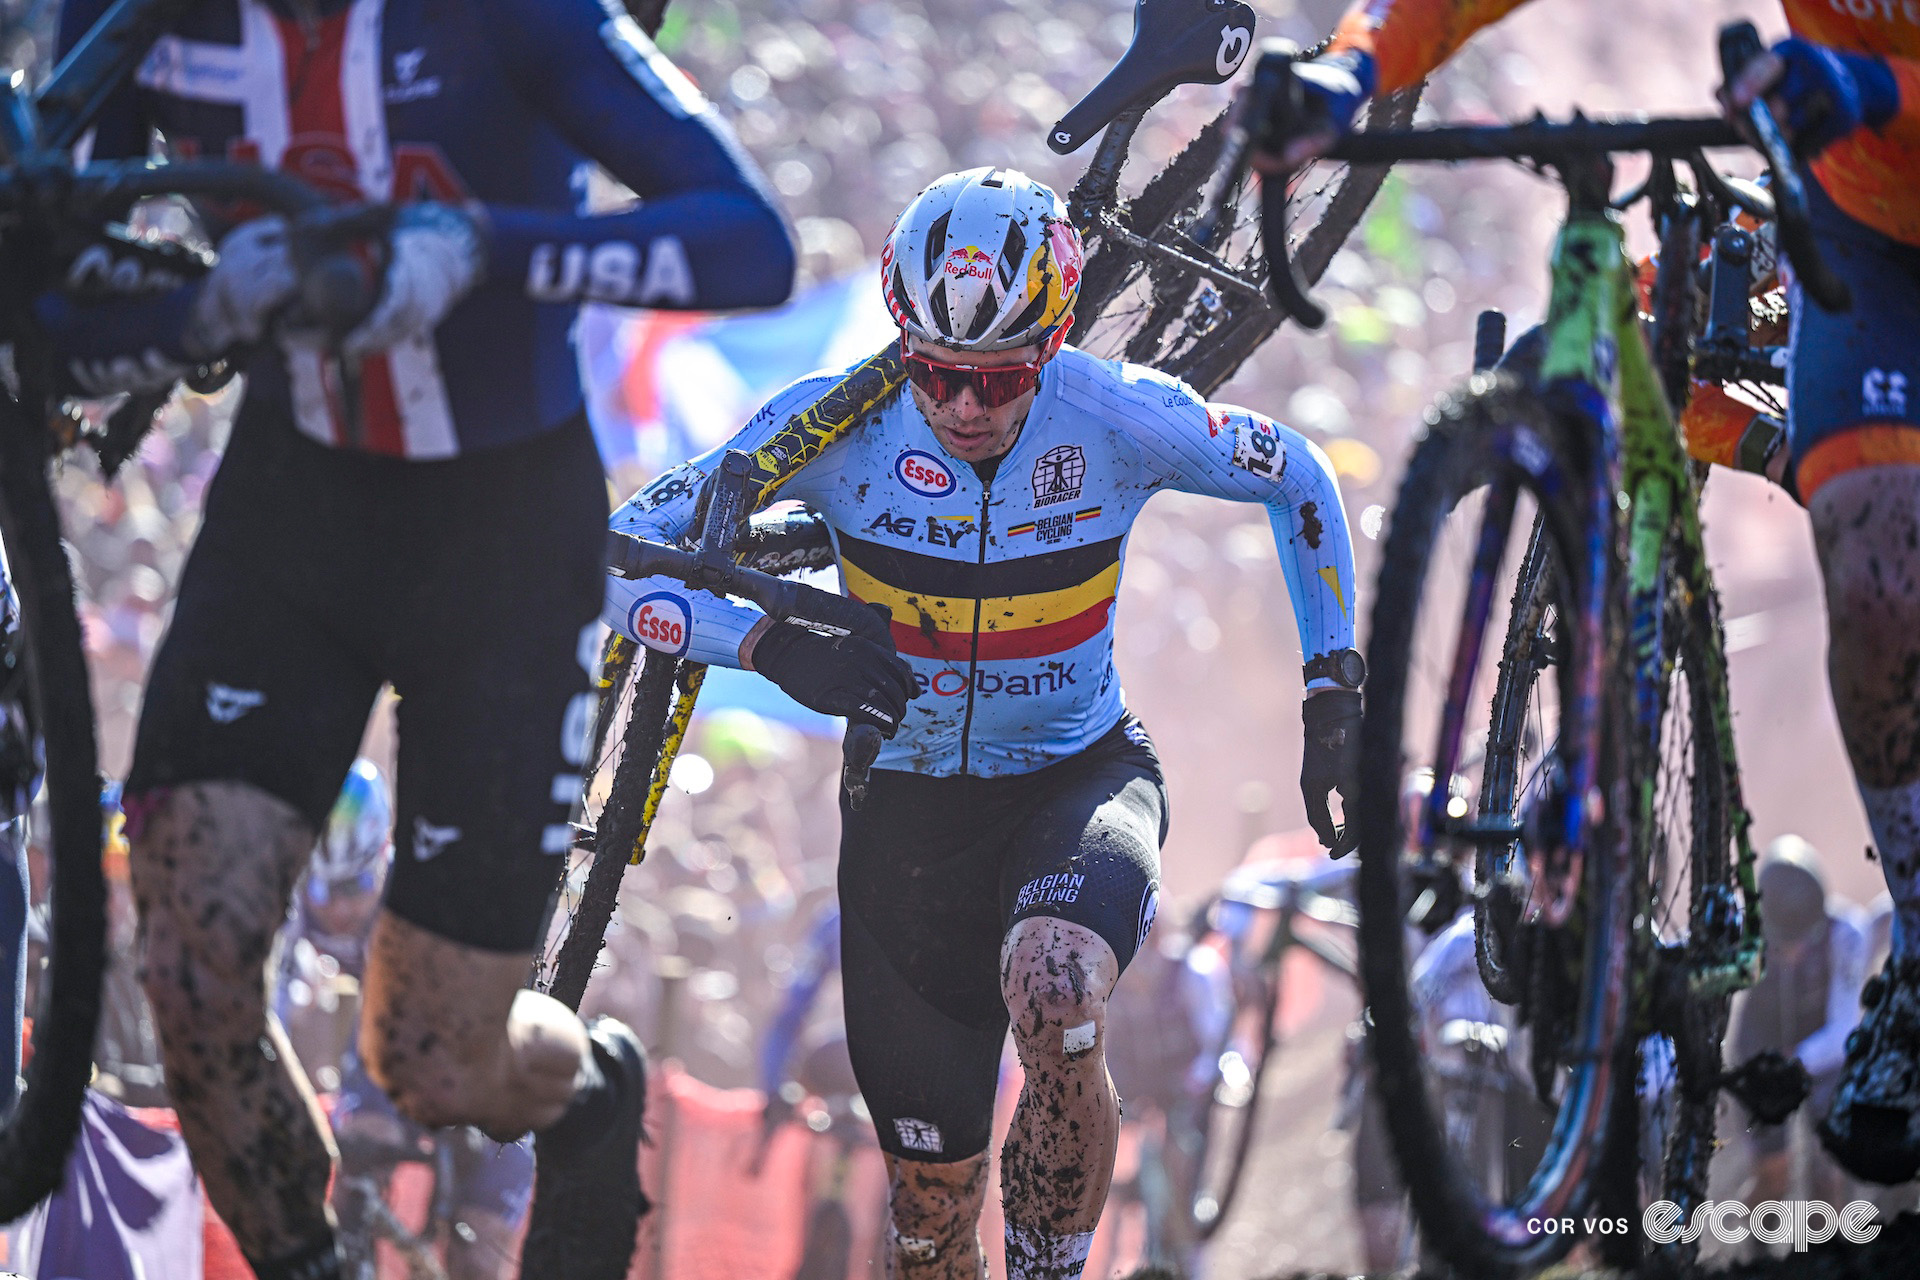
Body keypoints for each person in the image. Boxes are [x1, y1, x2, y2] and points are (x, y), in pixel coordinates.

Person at [45, 0, 796, 1275]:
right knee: (193, 963)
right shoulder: (139, 17)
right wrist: (194, 310)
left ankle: (593, 1086)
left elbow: (746, 246)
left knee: (434, 1057)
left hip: (504, 531)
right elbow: (43, 287)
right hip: (295, 511)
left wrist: (487, 248)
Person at [605, 167, 1362, 1279]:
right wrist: (769, 645)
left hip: (1076, 777)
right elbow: (621, 558)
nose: (965, 405)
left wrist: (1331, 689)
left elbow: (1296, 476)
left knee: (1057, 984)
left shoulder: (1117, 410)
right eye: (937, 374)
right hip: (905, 829)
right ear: (901, 339)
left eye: (1000, 377)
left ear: (1052, 343)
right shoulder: (827, 423)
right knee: (929, 1219)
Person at [1256, 0, 1920, 1186]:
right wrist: (1350, 69)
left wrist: (1874, 92)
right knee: (1870, 570)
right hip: (1860, 224)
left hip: (1868, 141)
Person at [275, 762, 533, 1280]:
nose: (338, 910)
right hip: (390, 1051)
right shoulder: (292, 895)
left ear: (383, 858)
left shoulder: (421, 897)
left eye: (355, 887)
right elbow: (270, 1005)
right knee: (352, 1166)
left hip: (488, 1062)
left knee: (478, 1257)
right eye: (323, 892)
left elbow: (407, 1017)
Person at [1729, 837, 1869, 1205]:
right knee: (1773, 1174)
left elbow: (1844, 1027)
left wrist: (1797, 1057)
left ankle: (1826, 1251)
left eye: (1801, 940)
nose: (1791, 954)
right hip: (1761, 1047)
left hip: (1823, 1051)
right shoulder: (1742, 933)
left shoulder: (1846, 935)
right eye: (1781, 943)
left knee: (1829, 1166)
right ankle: (1757, 1254)